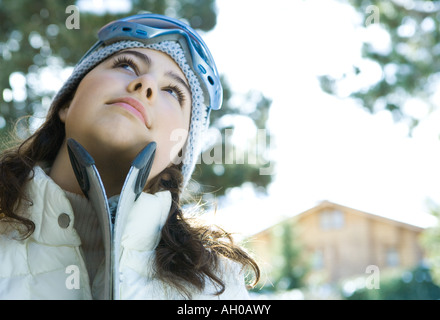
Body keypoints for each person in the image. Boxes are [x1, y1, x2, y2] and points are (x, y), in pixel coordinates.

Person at [0, 13, 259, 300]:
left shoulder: (218, 287)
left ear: (178, 156)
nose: (146, 84)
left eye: (173, 91)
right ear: (67, 102)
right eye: (126, 64)